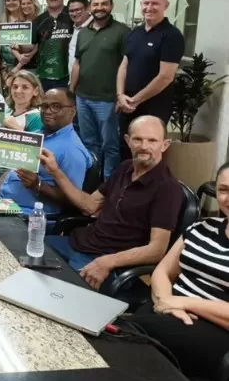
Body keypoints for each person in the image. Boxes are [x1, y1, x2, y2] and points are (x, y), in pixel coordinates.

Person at [40, 115, 182, 290]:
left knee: (52, 291)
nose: (144, 147)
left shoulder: (168, 188)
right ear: (128, 141)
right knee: (25, 254)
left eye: (152, 140)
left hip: (108, 260)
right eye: (138, 139)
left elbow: (156, 250)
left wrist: (107, 262)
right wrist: (55, 172)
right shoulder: (125, 167)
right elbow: (90, 205)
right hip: (82, 243)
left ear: (165, 145)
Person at [125, 162, 229, 381]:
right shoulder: (201, 228)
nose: (227, 198)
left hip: (212, 328)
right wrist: (166, 300)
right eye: (223, 190)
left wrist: (184, 303)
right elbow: (162, 271)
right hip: (165, 310)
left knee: (122, 334)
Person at [0, 88, 91, 216]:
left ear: (72, 111)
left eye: (56, 107)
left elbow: (73, 200)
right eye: (44, 106)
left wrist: (37, 185)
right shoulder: (38, 135)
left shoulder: (73, 150)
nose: (47, 111)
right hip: (3, 201)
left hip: (28, 215)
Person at [116, 0, 184, 161]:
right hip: (128, 104)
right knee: (126, 150)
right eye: (146, 3)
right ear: (141, 4)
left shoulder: (171, 36)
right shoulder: (135, 33)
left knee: (149, 153)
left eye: (155, 3)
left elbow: (165, 77)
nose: (149, 7)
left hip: (153, 107)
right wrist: (120, 95)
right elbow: (124, 65)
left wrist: (135, 100)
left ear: (166, 6)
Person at [71, 0, 129, 179]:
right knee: (89, 142)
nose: (100, 8)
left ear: (111, 6)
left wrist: (120, 95)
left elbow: (126, 65)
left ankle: (108, 184)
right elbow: (77, 63)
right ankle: (91, 180)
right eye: (95, 4)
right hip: (82, 97)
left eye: (104, 4)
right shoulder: (83, 33)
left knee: (110, 145)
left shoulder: (122, 32)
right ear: (90, 8)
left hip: (107, 99)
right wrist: (72, 91)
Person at [31, 0, 73, 91]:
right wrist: (16, 44)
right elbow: (31, 45)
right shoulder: (38, 20)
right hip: (43, 76)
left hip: (69, 76)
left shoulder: (73, 17)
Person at [11, 0, 42, 74]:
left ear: (35, 4)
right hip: (18, 64)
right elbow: (12, 44)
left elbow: (40, 43)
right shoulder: (17, 22)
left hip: (35, 66)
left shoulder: (41, 22)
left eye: (29, 3)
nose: (25, 6)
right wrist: (19, 57)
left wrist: (27, 57)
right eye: (23, 4)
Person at [0, 0, 25, 86]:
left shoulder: (25, 20)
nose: (11, 2)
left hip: (19, 64)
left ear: (20, 1)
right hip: (4, 65)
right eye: (8, 0)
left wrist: (18, 67)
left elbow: (27, 49)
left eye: (14, 0)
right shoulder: (3, 18)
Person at [66, 0, 92, 77]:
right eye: (71, 11)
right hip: (73, 80)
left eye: (78, 10)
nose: (74, 13)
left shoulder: (95, 27)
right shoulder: (74, 27)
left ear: (88, 8)